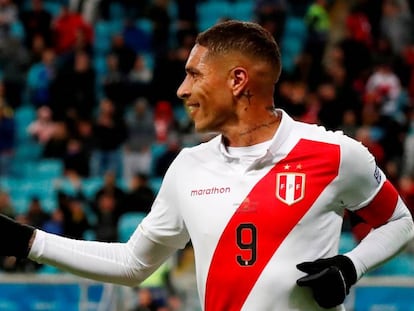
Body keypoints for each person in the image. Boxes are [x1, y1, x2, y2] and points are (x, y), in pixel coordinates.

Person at [0, 20, 413, 311]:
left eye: (194, 75)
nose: (182, 90)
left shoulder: (334, 153)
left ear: (237, 81)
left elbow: (400, 223)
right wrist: (26, 241)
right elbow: (132, 264)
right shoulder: (188, 168)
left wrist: (350, 265)